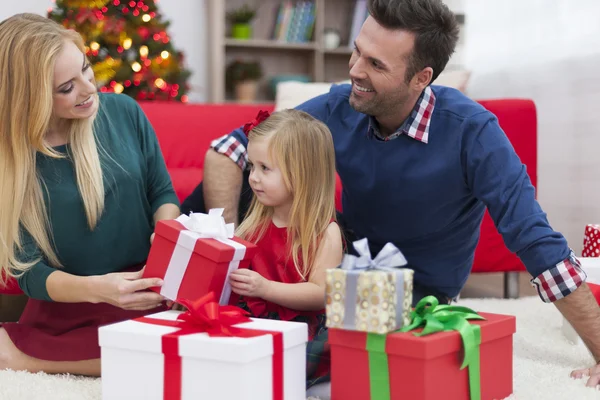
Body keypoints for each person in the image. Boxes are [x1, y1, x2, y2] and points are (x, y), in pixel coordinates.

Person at [186, 0, 600, 387]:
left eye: (375, 64)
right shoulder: (339, 105)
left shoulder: (472, 132)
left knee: (302, 359)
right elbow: (229, 150)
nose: (354, 69)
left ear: (422, 77)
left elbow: (536, 241)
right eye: (356, 52)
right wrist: (228, 248)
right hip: (333, 269)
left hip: (413, 295)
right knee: (260, 175)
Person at [0, 14, 180, 376]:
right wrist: (100, 289)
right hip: (70, 303)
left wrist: (168, 251)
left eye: (86, 70)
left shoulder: (124, 111)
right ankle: (28, 360)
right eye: (66, 88)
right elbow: (29, 272)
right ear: (29, 100)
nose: (88, 89)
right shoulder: (12, 163)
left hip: (148, 290)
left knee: (196, 344)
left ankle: (31, 362)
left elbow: (162, 193)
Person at [227, 109, 343, 389]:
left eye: (265, 169)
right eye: (251, 166)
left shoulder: (325, 233)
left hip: (299, 332)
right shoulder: (256, 220)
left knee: (290, 369)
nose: (253, 178)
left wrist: (265, 288)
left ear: (302, 173)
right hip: (251, 322)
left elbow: (321, 295)